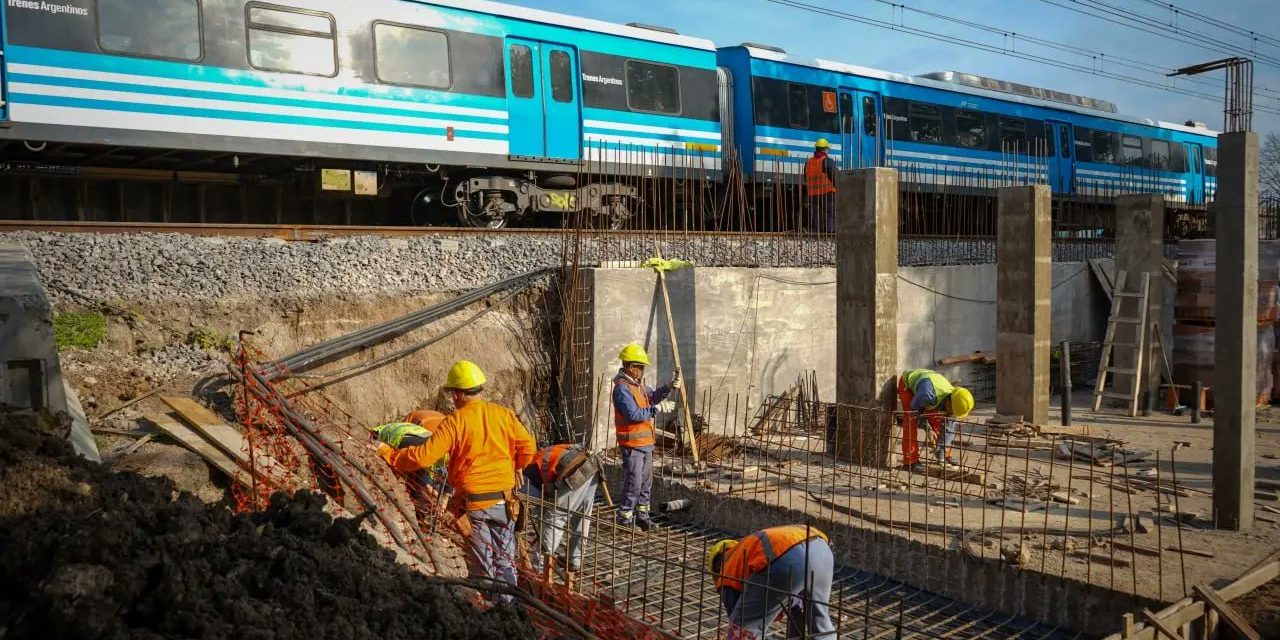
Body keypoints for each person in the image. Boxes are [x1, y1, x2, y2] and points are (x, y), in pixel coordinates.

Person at [379, 361, 537, 603]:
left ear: (457, 394)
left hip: (475, 507)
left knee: (482, 565)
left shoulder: (455, 422)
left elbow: (423, 456)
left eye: (453, 395)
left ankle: (490, 615)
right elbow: (528, 447)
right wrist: (517, 466)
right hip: (505, 503)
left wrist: (388, 454)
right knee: (505, 559)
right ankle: (509, 609)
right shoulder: (504, 414)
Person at [706, 524, 837, 639]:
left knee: (741, 631)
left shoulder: (727, 570)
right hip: (821, 549)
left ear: (717, 568)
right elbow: (797, 605)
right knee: (821, 626)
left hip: (786, 558)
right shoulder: (749, 550)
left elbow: (742, 621)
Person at [611, 343, 678, 530]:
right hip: (632, 445)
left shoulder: (638, 385)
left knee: (646, 484)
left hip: (646, 444)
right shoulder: (622, 389)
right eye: (640, 367)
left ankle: (642, 516)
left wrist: (668, 388)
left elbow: (653, 397)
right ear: (631, 367)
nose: (642, 370)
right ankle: (625, 519)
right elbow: (633, 415)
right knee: (634, 483)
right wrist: (656, 409)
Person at [521, 442, 601, 590]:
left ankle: (541, 567)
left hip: (574, 470)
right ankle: (574, 560)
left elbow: (538, 504)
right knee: (582, 516)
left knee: (555, 516)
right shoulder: (539, 459)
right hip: (592, 466)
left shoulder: (526, 474)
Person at [897, 368, 974, 471]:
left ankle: (943, 455)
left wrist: (941, 452)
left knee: (940, 420)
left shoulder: (954, 401)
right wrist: (927, 427)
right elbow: (915, 409)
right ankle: (910, 461)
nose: (951, 414)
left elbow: (948, 430)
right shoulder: (928, 395)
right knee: (910, 420)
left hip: (929, 385)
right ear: (949, 402)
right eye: (951, 411)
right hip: (909, 385)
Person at [804, 138, 838, 233]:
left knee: (817, 214)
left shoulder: (808, 162)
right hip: (827, 193)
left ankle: (818, 233)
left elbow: (805, 178)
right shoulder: (827, 161)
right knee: (831, 213)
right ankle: (829, 233)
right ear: (825, 149)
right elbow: (835, 177)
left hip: (813, 194)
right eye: (827, 149)